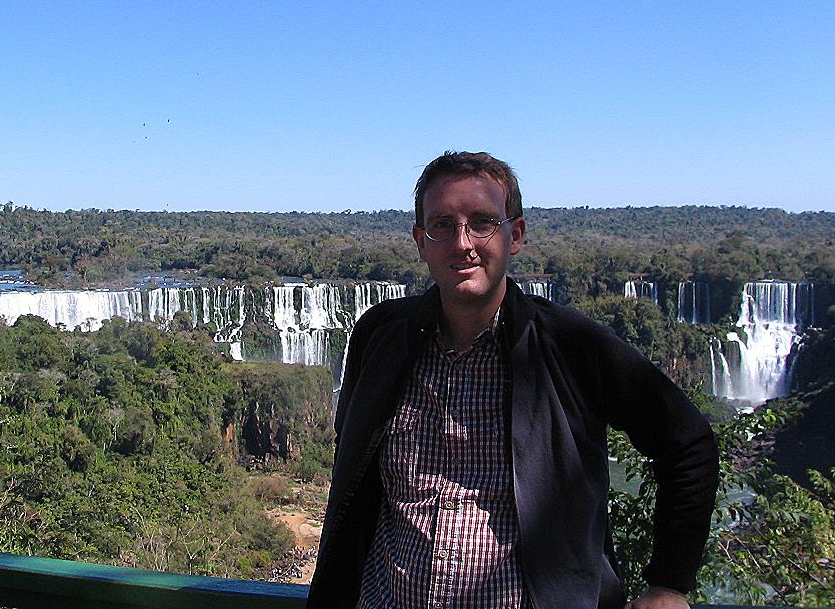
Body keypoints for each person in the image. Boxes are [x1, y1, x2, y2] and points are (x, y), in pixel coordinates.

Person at [306, 151, 719, 609]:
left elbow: (689, 443)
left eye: (482, 222)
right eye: (442, 225)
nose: (463, 243)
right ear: (421, 241)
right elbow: (353, 460)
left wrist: (668, 585)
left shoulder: (571, 346)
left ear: (515, 235)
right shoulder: (380, 336)